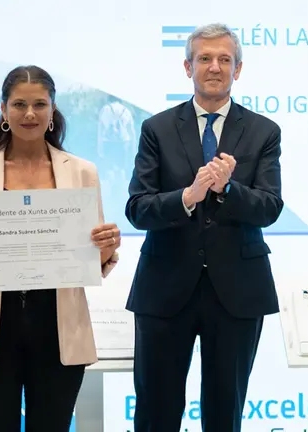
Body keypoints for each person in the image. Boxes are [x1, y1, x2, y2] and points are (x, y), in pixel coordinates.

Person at [0, 65, 121, 431]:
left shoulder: (83, 172)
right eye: (19, 104)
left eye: (39, 104)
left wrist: (105, 245)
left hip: (58, 323)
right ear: (3, 110)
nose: (29, 114)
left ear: (53, 111)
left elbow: (94, 261)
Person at [125, 23, 283, 431]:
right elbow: (138, 208)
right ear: (187, 66)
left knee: (224, 414)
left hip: (237, 291)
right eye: (205, 59)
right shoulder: (156, 129)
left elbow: (269, 208)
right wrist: (188, 196)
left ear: (238, 69)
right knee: (155, 413)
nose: (215, 67)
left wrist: (228, 187)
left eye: (225, 59)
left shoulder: (264, 131)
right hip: (165, 288)